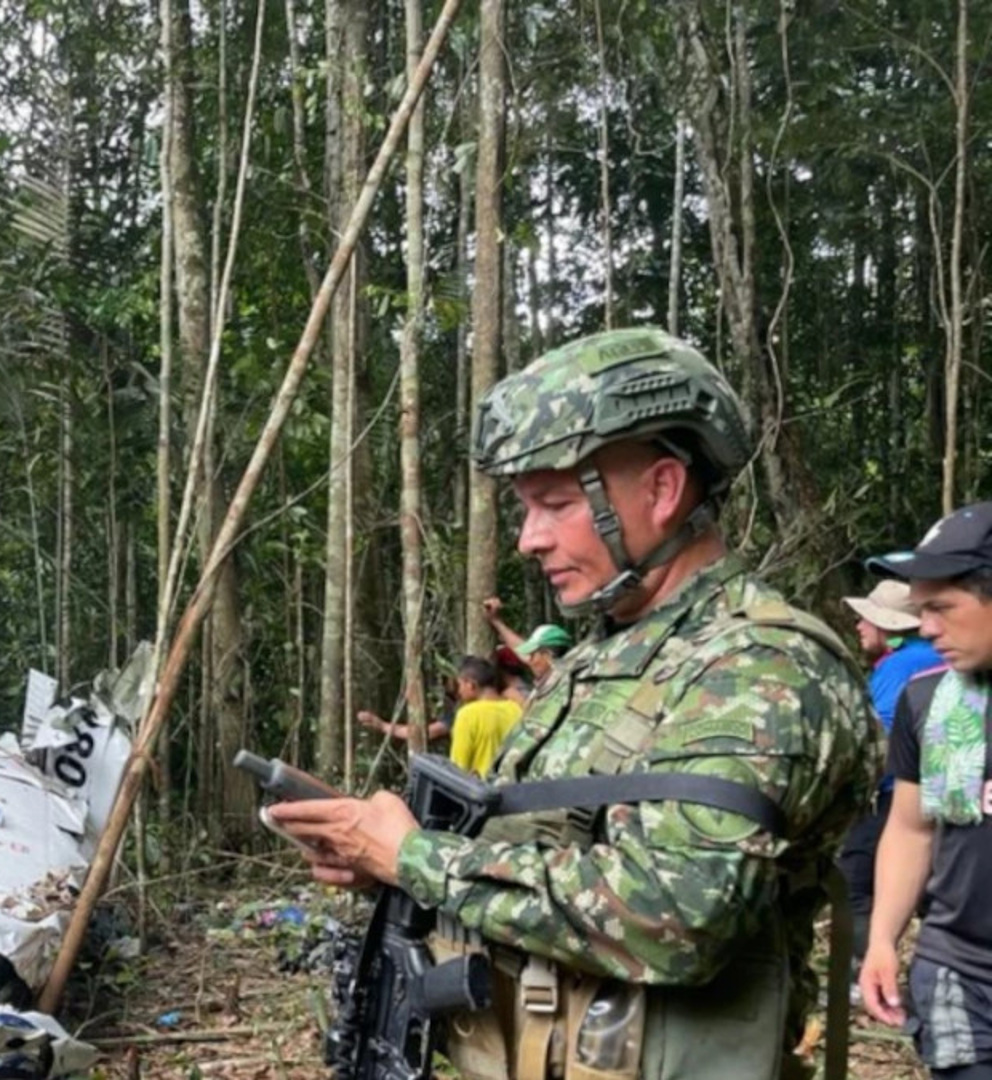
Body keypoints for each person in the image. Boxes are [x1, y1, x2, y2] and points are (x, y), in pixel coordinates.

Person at [268, 327, 876, 1080]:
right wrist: (384, 860)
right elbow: (544, 855)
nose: (528, 539)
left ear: (660, 491)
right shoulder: (595, 662)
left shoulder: (762, 667)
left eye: (553, 504)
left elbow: (679, 914)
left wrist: (417, 858)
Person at [858, 503, 992, 1080]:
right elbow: (912, 828)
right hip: (961, 971)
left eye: (940, 608)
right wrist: (884, 938)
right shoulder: (928, 700)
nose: (926, 627)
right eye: (920, 610)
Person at [837, 578, 943, 980]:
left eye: (867, 619)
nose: (859, 627)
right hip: (942, 797)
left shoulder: (900, 668)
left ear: (891, 629)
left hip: (897, 794)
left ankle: (862, 973)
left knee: (856, 883)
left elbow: (874, 736)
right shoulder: (934, 659)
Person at [448, 655, 522, 778]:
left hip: (482, 790)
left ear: (470, 684)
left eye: (460, 684)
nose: (459, 691)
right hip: (512, 788)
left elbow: (457, 768)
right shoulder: (516, 709)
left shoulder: (467, 715)